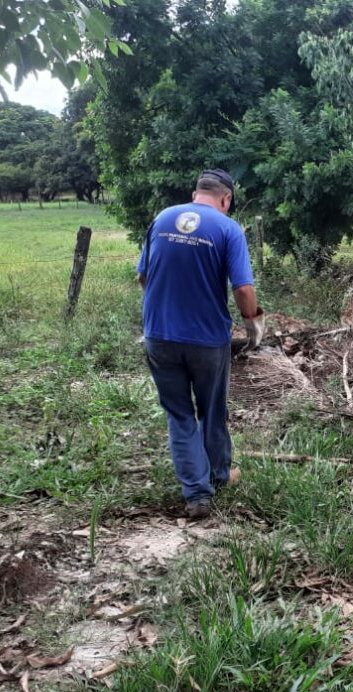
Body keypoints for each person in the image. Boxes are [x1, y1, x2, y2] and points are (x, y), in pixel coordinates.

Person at [137, 169, 265, 516]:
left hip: (159, 337)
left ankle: (196, 494)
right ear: (226, 199)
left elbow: (143, 277)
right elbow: (242, 289)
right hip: (207, 341)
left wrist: (162, 315)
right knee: (211, 411)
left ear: (197, 194)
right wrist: (253, 324)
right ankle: (219, 478)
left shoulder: (162, 219)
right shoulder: (228, 228)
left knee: (179, 415)